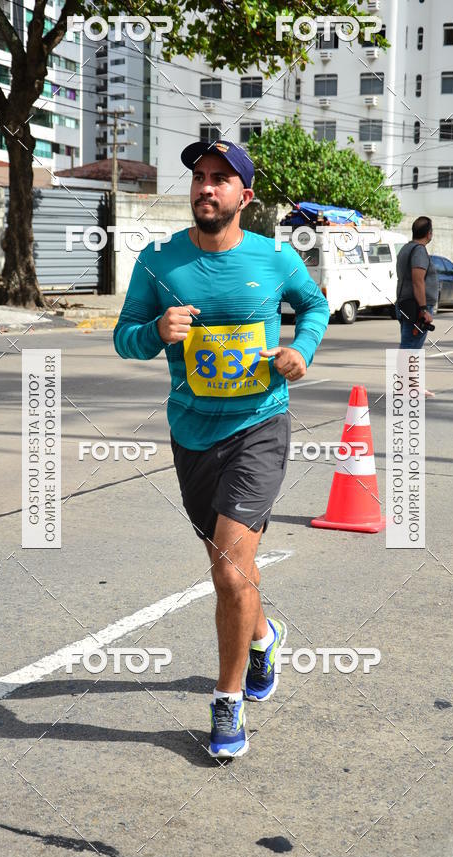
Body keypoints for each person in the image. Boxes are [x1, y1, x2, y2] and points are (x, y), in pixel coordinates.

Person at [113, 139, 329, 758]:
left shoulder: (275, 256)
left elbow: (314, 306)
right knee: (230, 566)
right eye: (199, 177)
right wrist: (154, 331)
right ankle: (263, 637)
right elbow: (124, 339)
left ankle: (227, 702)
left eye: (220, 179)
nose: (206, 187)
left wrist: (300, 351)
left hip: (259, 426)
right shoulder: (159, 260)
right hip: (191, 434)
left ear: (245, 196)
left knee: (230, 569)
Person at [395, 216, 438, 396]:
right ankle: (407, 387)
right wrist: (423, 309)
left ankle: (412, 386)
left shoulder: (406, 248)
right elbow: (417, 280)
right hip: (415, 307)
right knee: (410, 347)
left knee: (411, 347)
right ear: (429, 234)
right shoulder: (419, 251)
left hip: (406, 304)